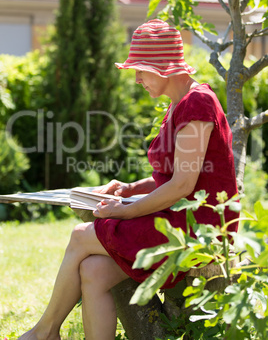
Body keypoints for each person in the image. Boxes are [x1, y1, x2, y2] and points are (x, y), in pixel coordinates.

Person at [19, 19, 239, 340]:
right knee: (92, 271)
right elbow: (170, 176)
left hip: (199, 228)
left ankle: (45, 332)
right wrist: (129, 190)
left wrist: (123, 210)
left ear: (162, 66)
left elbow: (182, 185)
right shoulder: (179, 105)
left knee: (81, 236)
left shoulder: (198, 103)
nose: (136, 79)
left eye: (140, 69)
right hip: (180, 220)